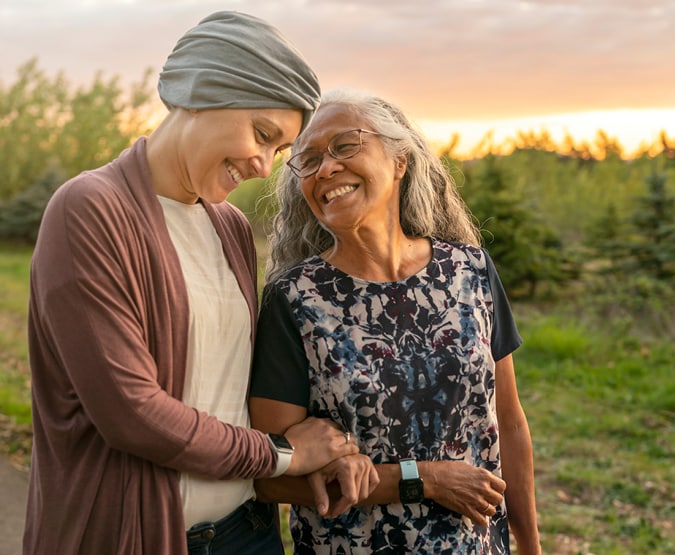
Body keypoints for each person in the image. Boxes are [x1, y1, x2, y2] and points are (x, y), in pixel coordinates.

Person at [23, 12, 361, 555]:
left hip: (247, 534)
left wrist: (331, 450)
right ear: (204, 91)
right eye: (263, 134)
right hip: (135, 535)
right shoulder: (90, 209)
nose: (261, 165)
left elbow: (231, 384)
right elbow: (132, 414)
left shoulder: (227, 226)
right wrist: (282, 455)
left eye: (278, 152)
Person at [249, 88, 542, 554]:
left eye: (345, 146)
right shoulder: (293, 300)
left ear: (399, 160)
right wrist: (422, 480)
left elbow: (508, 423)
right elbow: (272, 480)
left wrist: (528, 542)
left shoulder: (471, 271)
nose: (326, 168)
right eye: (308, 160)